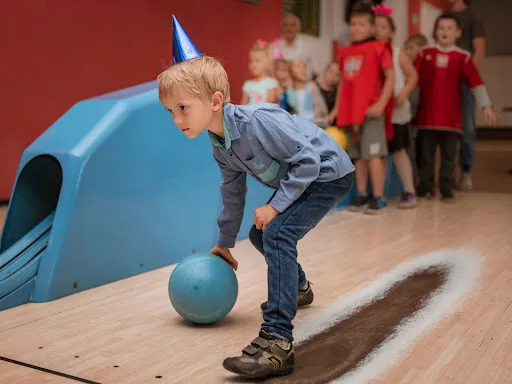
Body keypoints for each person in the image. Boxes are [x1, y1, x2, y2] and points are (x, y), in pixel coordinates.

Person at [157, 23, 355, 379]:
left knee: (277, 232)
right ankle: (299, 288)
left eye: (183, 108)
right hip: (307, 177)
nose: (176, 119)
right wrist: (224, 243)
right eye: (170, 111)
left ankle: (277, 342)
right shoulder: (220, 146)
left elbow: (309, 161)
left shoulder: (258, 122)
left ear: (215, 100)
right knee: (264, 235)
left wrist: (276, 206)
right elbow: (233, 194)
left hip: (329, 174)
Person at [414, 12, 497, 201]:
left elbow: (476, 83)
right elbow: (413, 80)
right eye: (441, 28)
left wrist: (487, 106)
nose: (444, 32)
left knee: (448, 158)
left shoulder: (463, 57)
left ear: (458, 33)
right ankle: (426, 187)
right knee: (426, 156)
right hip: (426, 118)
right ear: (435, 31)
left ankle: (446, 189)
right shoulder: (425, 53)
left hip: (451, 121)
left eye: (449, 28)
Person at [330, 3, 395, 214]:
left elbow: (390, 77)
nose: (356, 28)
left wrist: (381, 104)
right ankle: (361, 193)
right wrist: (336, 109)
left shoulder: (379, 48)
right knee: (357, 156)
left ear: (372, 28)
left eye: (362, 24)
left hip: (371, 112)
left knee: (373, 154)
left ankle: (378, 195)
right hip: (351, 114)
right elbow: (342, 83)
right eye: (353, 24)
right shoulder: (344, 51)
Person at [375, 5, 419, 208]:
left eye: (384, 27)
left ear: (392, 32)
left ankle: (409, 190)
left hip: (397, 112)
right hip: (377, 112)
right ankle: (379, 194)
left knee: (398, 151)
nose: (379, 30)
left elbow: (413, 76)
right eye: (376, 26)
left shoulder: (397, 53)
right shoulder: (369, 52)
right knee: (380, 153)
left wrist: (404, 93)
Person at [449, 0, 486, 191]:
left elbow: (479, 52)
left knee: (467, 127)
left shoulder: (473, 17)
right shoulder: (444, 16)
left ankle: (466, 171)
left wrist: (470, 79)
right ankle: (446, 174)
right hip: (445, 82)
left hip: (464, 83)